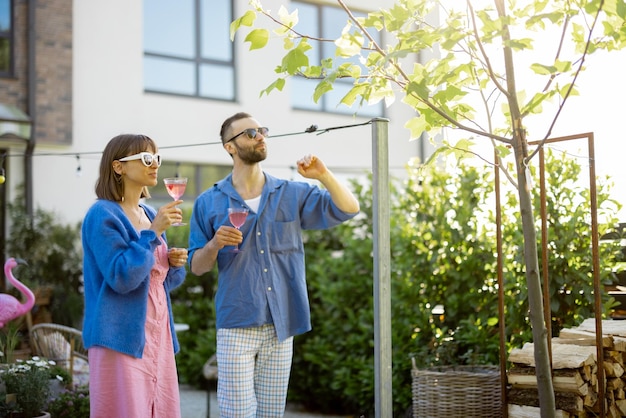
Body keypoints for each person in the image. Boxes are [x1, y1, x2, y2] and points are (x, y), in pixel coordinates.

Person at [188, 112, 360, 416]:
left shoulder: (291, 193)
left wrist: (324, 176)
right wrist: (214, 244)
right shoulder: (208, 202)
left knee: (270, 413)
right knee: (237, 413)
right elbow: (197, 266)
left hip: (282, 323)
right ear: (230, 146)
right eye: (250, 133)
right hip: (236, 322)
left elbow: (348, 209)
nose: (260, 137)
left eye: (262, 131)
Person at [81, 133, 188, 418]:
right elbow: (122, 277)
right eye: (146, 158)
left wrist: (174, 263)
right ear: (119, 167)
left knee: (160, 409)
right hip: (119, 336)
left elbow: (161, 282)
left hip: (158, 334)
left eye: (157, 158)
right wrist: (153, 234)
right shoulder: (102, 215)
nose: (155, 165)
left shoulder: (148, 211)